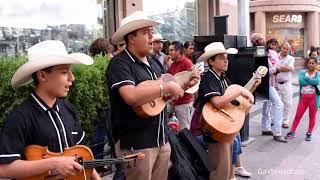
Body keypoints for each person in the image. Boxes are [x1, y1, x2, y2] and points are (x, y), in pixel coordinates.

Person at [106, 11, 200, 180]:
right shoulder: (119, 64)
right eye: (146, 32)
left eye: (151, 31)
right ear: (131, 38)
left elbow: (162, 98)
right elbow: (132, 96)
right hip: (136, 143)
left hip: (161, 139)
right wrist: (165, 86)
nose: (152, 36)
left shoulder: (154, 62)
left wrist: (185, 84)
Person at [0, 40, 101, 179]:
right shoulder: (20, 117)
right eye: (64, 72)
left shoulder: (68, 109)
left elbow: (82, 155)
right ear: (42, 75)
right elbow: (4, 168)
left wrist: (96, 177)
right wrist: (53, 163)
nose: (72, 78)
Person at [196, 42, 261, 180]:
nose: (226, 60)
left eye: (226, 57)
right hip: (215, 131)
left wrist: (252, 86)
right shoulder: (208, 78)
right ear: (211, 61)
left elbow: (235, 100)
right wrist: (239, 89)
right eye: (221, 57)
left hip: (225, 128)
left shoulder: (223, 79)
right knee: (219, 172)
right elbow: (218, 102)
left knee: (225, 172)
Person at [285, 57, 320, 141]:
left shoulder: (318, 73)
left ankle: (309, 133)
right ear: (307, 64)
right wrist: (311, 80)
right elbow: (301, 82)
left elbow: (317, 82)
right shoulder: (302, 72)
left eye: (313, 63)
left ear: (316, 64)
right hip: (303, 98)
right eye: (309, 63)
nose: (311, 64)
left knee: (312, 117)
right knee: (298, 116)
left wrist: (307, 79)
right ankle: (292, 132)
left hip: (313, 99)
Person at [168, 41, 194, 131]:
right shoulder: (173, 64)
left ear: (178, 51)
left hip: (184, 102)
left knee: (185, 129)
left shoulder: (187, 63)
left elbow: (194, 82)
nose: (169, 53)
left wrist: (185, 86)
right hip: (174, 101)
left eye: (171, 50)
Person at [277, 42, 295, 128]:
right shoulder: (275, 56)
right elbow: (286, 68)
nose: (286, 50)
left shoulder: (291, 58)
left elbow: (290, 68)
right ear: (281, 48)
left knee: (287, 103)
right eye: (284, 48)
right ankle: (274, 120)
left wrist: (277, 68)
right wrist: (283, 68)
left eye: (288, 49)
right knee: (275, 103)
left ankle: (285, 121)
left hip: (286, 84)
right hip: (275, 84)